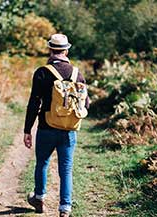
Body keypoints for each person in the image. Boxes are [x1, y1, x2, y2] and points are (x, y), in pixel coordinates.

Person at [23, 33, 89, 217]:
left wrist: (27, 130)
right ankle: (65, 208)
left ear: (50, 50)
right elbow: (86, 104)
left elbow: (34, 103)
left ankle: (39, 197)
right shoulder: (77, 74)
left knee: (42, 163)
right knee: (66, 169)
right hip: (68, 130)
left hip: (46, 127)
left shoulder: (42, 72)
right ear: (66, 50)